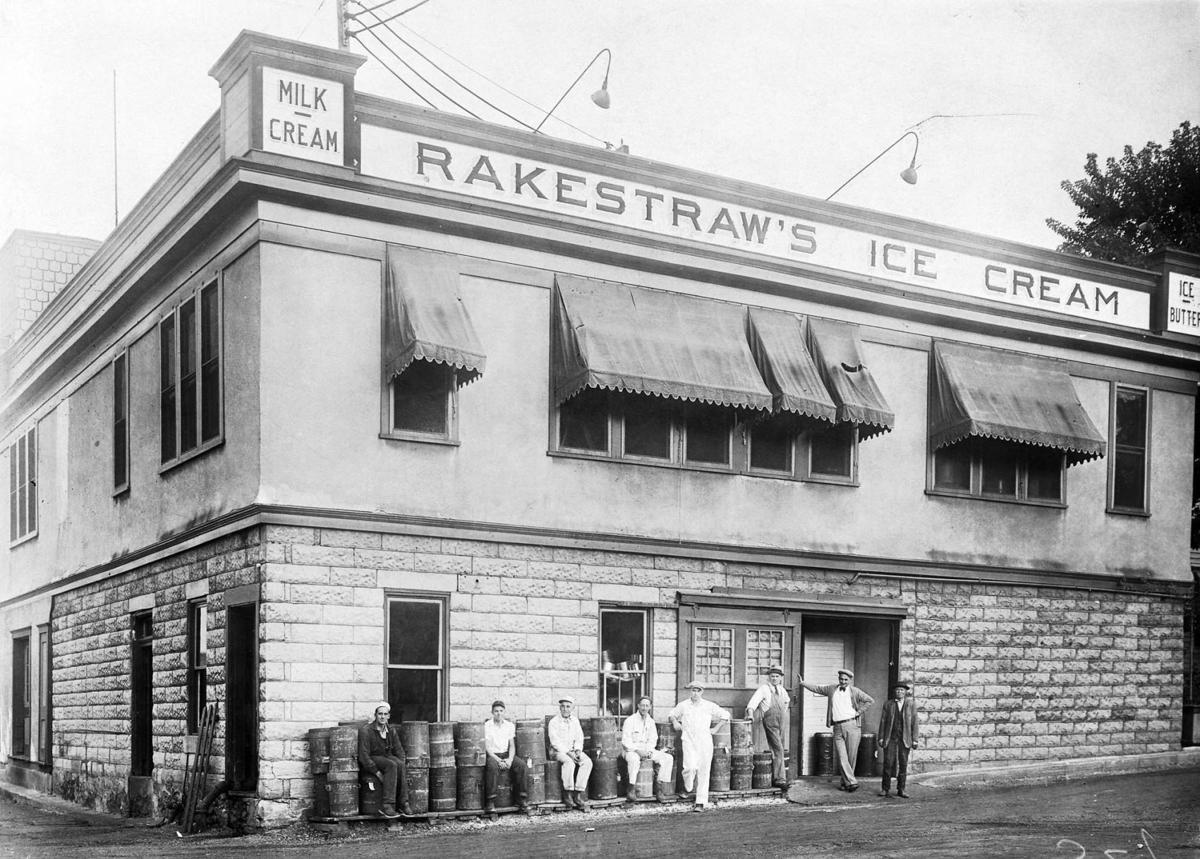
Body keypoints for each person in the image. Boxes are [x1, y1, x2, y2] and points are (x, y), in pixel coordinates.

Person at [797, 668, 875, 793]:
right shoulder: (832, 689)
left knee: (851, 757)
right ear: (838, 679)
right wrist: (803, 683)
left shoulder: (855, 691)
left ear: (850, 680)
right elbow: (817, 688)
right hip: (837, 727)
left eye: (845, 679)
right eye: (841, 679)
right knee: (842, 755)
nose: (843, 681)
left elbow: (869, 700)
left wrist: (858, 712)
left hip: (852, 726)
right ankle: (852, 782)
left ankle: (845, 783)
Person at [669, 680, 731, 812]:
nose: (695, 693)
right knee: (689, 767)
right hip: (689, 740)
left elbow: (725, 715)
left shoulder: (708, 705)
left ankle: (700, 802)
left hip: (704, 741)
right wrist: (675, 722)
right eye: (693, 690)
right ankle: (688, 787)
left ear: (702, 692)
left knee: (703, 771)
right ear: (690, 691)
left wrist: (716, 729)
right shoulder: (684, 705)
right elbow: (672, 714)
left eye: (698, 690)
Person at [356, 701, 412, 818]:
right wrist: (376, 772)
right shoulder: (366, 731)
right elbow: (364, 755)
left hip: (386, 757)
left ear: (388, 716)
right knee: (391, 765)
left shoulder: (391, 730)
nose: (382, 717)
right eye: (380, 714)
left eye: (385, 714)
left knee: (399, 764)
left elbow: (399, 750)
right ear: (375, 715)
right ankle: (388, 805)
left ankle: (403, 803)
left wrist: (403, 763)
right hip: (373, 757)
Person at [621, 695, 674, 803]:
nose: (644, 708)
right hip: (631, 750)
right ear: (638, 706)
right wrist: (637, 750)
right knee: (634, 760)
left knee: (667, 758)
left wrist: (649, 751)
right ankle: (631, 789)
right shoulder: (630, 720)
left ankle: (659, 788)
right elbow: (626, 741)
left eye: (647, 706)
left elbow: (653, 739)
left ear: (650, 707)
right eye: (642, 705)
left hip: (646, 750)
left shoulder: (651, 722)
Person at [745, 665, 791, 788]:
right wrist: (750, 714)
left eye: (777, 676)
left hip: (781, 721)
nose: (774, 678)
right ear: (768, 678)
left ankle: (777, 776)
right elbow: (752, 703)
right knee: (778, 749)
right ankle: (779, 779)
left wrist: (783, 712)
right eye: (772, 676)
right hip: (770, 721)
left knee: (779, 748)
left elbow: (787, 701)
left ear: (780, 678)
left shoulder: (782, 690)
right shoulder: (764, 689)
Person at [547, 695, 592, 811]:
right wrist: (569, 753)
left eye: (568, 706)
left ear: (572, 708)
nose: (565, 709)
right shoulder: (554, 722)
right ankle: (567, 794)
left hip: (573, 750)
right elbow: (555, 742)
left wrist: (577, 750)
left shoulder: (575, 721)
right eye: (563, 706)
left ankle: (578, 794)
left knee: (587, 762)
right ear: (560, 708)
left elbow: (579, 737)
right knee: (569, 763)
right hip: (557, 751)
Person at [483, 699, 529, 814]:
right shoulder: (487, 726)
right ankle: (490, 801)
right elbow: (487, 747)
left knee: (522, 766)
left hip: (506, 754)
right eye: (496, 711)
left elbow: (512, 746)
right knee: (492, 768)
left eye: (501, 711)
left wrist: (510, 759)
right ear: (492, 712)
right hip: (493, 755)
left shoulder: (509, 725)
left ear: (504, 712)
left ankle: (521, 799)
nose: (499, 713)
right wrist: (498, 760)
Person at [878, 681, 918, 798]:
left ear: (905, 692)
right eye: (897, 690)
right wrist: (881, 737)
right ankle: (885, 789)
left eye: (901, 690)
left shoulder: (911, 704)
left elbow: (915, 722)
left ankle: (901, 789)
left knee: (903, 764)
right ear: (894, 692)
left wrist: (915, 739)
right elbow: (883, 722)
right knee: (888, 763)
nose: (899, 692)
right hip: (890, 738)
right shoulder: (888, 704)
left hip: (904, 738)